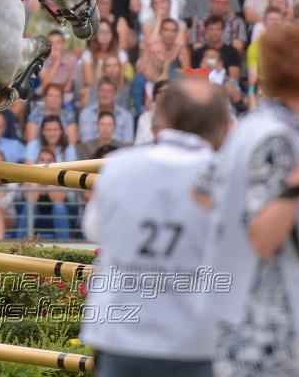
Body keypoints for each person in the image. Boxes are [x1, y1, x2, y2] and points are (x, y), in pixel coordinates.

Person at [199, 21, 299, 376]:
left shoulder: (250, 126)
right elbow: (263, 236)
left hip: (241, 322)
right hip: (272, 335)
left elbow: (203, 195)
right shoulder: (276, 138)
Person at [81, 78, 229, 377]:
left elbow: (94, 230)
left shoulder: (119, 166)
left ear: (164, 117)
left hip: (120, 337)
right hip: (194, 344)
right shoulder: (226, 176)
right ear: (222, 124)